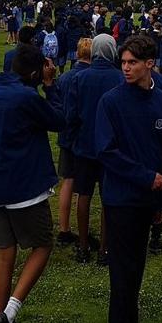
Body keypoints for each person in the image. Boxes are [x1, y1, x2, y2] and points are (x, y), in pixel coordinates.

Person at [0, 44, 65, 323]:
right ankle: (8, 315)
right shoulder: (27, 97)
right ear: (36, 72)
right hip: (24, 188)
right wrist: (51, 86)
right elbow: (59, 121)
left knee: (5, 255)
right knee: (42, 245)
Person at [95, 36, 162, 323]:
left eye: (132, 63)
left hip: (147, 199)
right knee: (125, 273)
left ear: (149, 64)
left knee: (134, 271)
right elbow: (107, 151)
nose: (125, 68)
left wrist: (160, 202)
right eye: (123, 62)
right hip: (122, 199)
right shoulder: (111, 102)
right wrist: (144, 177)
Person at [67, 34, 123, 263]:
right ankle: (105, 248)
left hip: (85, 144)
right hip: (110, 146)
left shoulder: (80, 78)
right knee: (108, 196)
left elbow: (71, 115)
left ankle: (82, 245)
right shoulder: (120, 78)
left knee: (84, 194)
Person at [55, 38, 92, 246]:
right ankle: (80, 227)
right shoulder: (90, 78)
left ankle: (64, 227)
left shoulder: (65, 77)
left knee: (68, 180)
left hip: (66, 133)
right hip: (83, 134)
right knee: (84, 184)